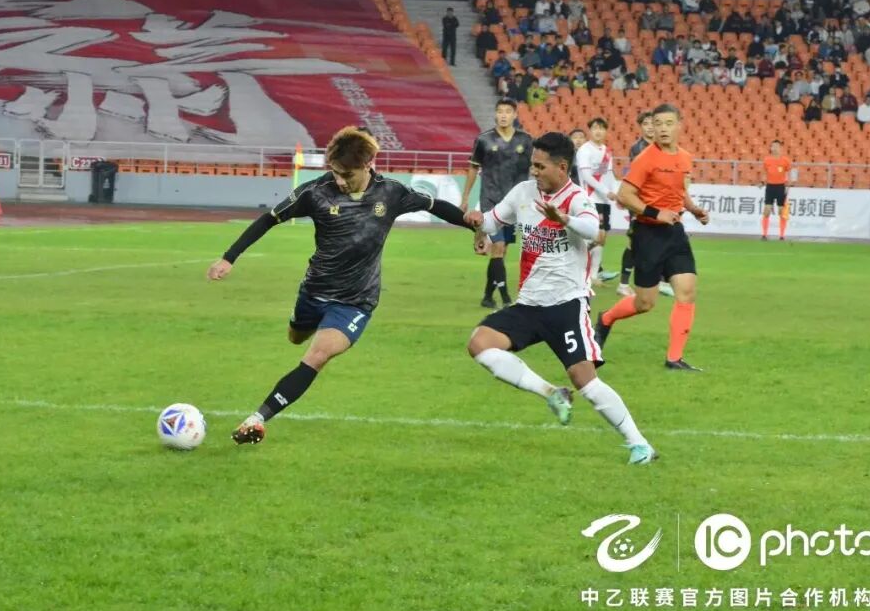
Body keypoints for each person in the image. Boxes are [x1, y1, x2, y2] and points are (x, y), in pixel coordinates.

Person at [210, 126, 481, 445]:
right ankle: (307, 326)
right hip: (313, 292)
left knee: (317, 355)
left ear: (367, 165)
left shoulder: (391, 193)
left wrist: (473, 226)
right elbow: (269, 218)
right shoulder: (315, 192)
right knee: (296, 337)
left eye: (347, 174)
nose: (339, 180)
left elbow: (434, 205)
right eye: (335, 172)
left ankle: (256, 420)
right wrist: (229, 257)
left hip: (355, 301)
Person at [464, 132, 657, 465]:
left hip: (567, 304)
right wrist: (480, 229)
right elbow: (493, 222)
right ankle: (552, 393)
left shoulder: (577, 198)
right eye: (533, 164)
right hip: (529, 304)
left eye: (540, 166)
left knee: (585, 380)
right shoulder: (523, 192)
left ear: (562, 167)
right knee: (480, 344)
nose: (534, 171)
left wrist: (563, 219)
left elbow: (592, 230)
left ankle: (639, 444)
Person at [593, 104, 710, 371]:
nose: (663, 129)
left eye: (668, 123)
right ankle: (606, 319)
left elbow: (679, 191)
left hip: (675, 232)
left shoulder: (684, 158)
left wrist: (693, 209)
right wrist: (657, 213)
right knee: (645, 302)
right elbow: (625, 195)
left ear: (679, 125)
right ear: (652, 128)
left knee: (687, 292)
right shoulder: (645, 159)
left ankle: (674, 358)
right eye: (658, 124)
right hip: (647, 234)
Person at [460, 99, 534, 309]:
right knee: (498, 247)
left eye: (508, 111)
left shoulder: (526, 140)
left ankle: (487, 297)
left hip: (515, 204)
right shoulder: (484, 140)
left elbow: (535, 168)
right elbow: (473, 168)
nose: (503, 115)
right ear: (495, 114)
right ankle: (507, 299)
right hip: (490, 201)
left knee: (501, 252)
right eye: (500, 111)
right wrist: (465, 197)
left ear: (515, 115)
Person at [617, 111, 675, 299]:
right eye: (646, 124)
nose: (650, 127)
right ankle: (623, 284)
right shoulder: (638, 149)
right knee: (634, 242)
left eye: (653, 123)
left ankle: (660, 281)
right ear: (641, 127)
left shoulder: (662, 147)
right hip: (640, 201)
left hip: (659, 201)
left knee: (662, 239)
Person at [574, 118, 620, 287]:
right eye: (595, 128)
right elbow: (587, 177)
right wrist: (606, 192)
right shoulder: (585, 150)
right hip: (590, 199)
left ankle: (593, 276)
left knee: (602, 238)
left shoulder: (606, 151)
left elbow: (608, 175)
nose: (598, 131)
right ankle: (578, 270)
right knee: (592, 237)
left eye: (601, 128)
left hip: (604, 201)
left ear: (606, 131)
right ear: (590, 131)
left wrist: (615, 193)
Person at [761, 140, 792, 241]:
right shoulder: (767, 160)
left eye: (776, 146)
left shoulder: (785, 160)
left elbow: (791, 172)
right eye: (772, 146)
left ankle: (782, 235)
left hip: (780, 187)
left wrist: (790, 183)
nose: (774, 148)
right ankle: (764, 235)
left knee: (781, 212)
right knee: (767, 211)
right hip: (770, 187)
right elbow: (764, 173)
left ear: (780, 148)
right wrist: (762, 181)